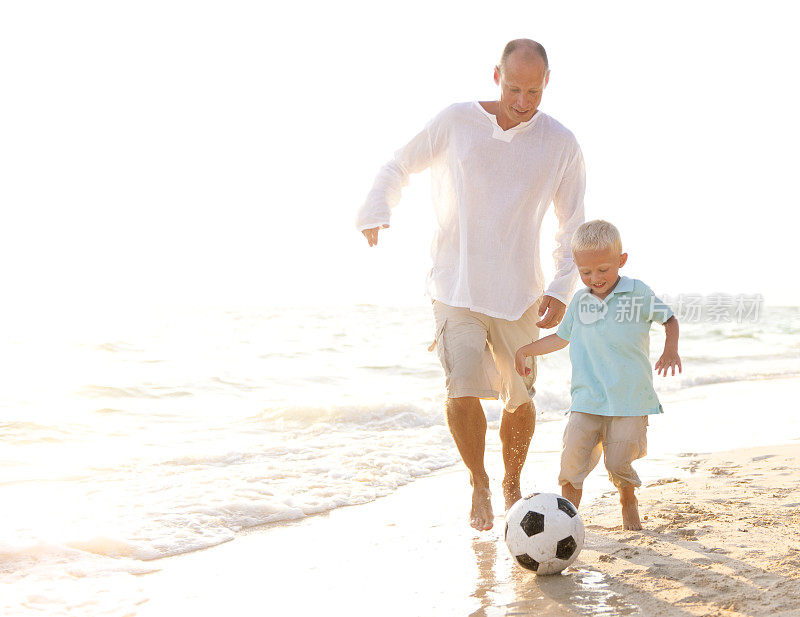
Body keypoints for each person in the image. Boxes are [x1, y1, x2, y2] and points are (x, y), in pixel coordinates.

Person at [356, 39, 585, 532]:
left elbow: (573, 223)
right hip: (454, 285)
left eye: (533, 90)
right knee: (460, 385)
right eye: (513, 87)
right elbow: (400, 163)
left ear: (548, 82)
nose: (522, 101)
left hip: (520, 291)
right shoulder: (456, 121)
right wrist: (377, 206)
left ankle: (511, 481)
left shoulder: (560, 143)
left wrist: (562, 287)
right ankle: (479, 480)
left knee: (520, 399)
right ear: (496, 75)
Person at [514, 220, 681, 530]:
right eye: (586, 272)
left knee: (618, 464)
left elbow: (669, 320)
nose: (595, 278)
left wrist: (670, 350)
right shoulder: (579, 301)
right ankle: (565, 523)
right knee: (571, 463)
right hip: (586, 399)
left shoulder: (638, 292)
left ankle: (627, 499)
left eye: (603, 270)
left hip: (629, 400)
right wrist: (525, 350)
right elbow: (562, 338)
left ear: (621, 261)